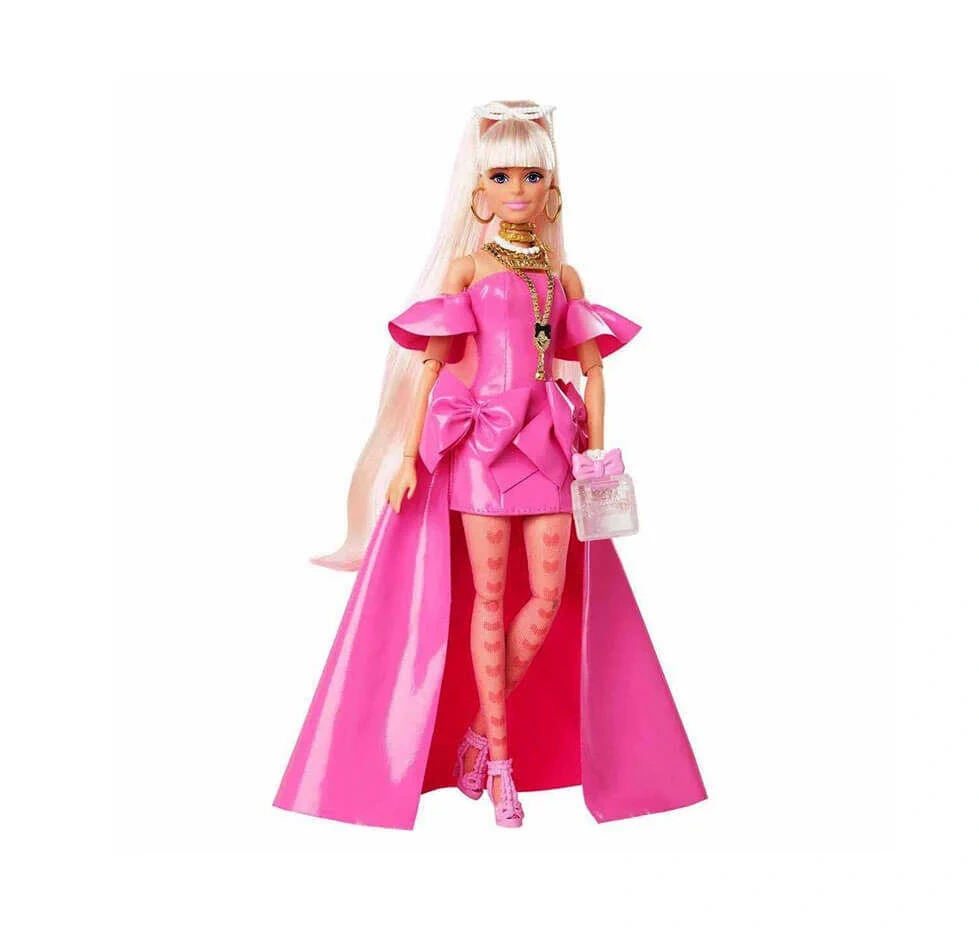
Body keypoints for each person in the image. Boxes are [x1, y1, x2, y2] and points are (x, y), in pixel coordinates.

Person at [274, 100, 706, 829]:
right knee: (490, 599)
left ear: (551, 188)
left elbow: (594, 371)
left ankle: (478, 732)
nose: (517, 189)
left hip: (549, 448)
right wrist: (405, 456)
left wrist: (597, 455)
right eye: (501, 176)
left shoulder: (564, 277)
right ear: (479, 189)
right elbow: (429, 366)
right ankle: (500, 767)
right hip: (481, 451)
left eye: (531, 175)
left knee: (546, 598)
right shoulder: (467, 268)